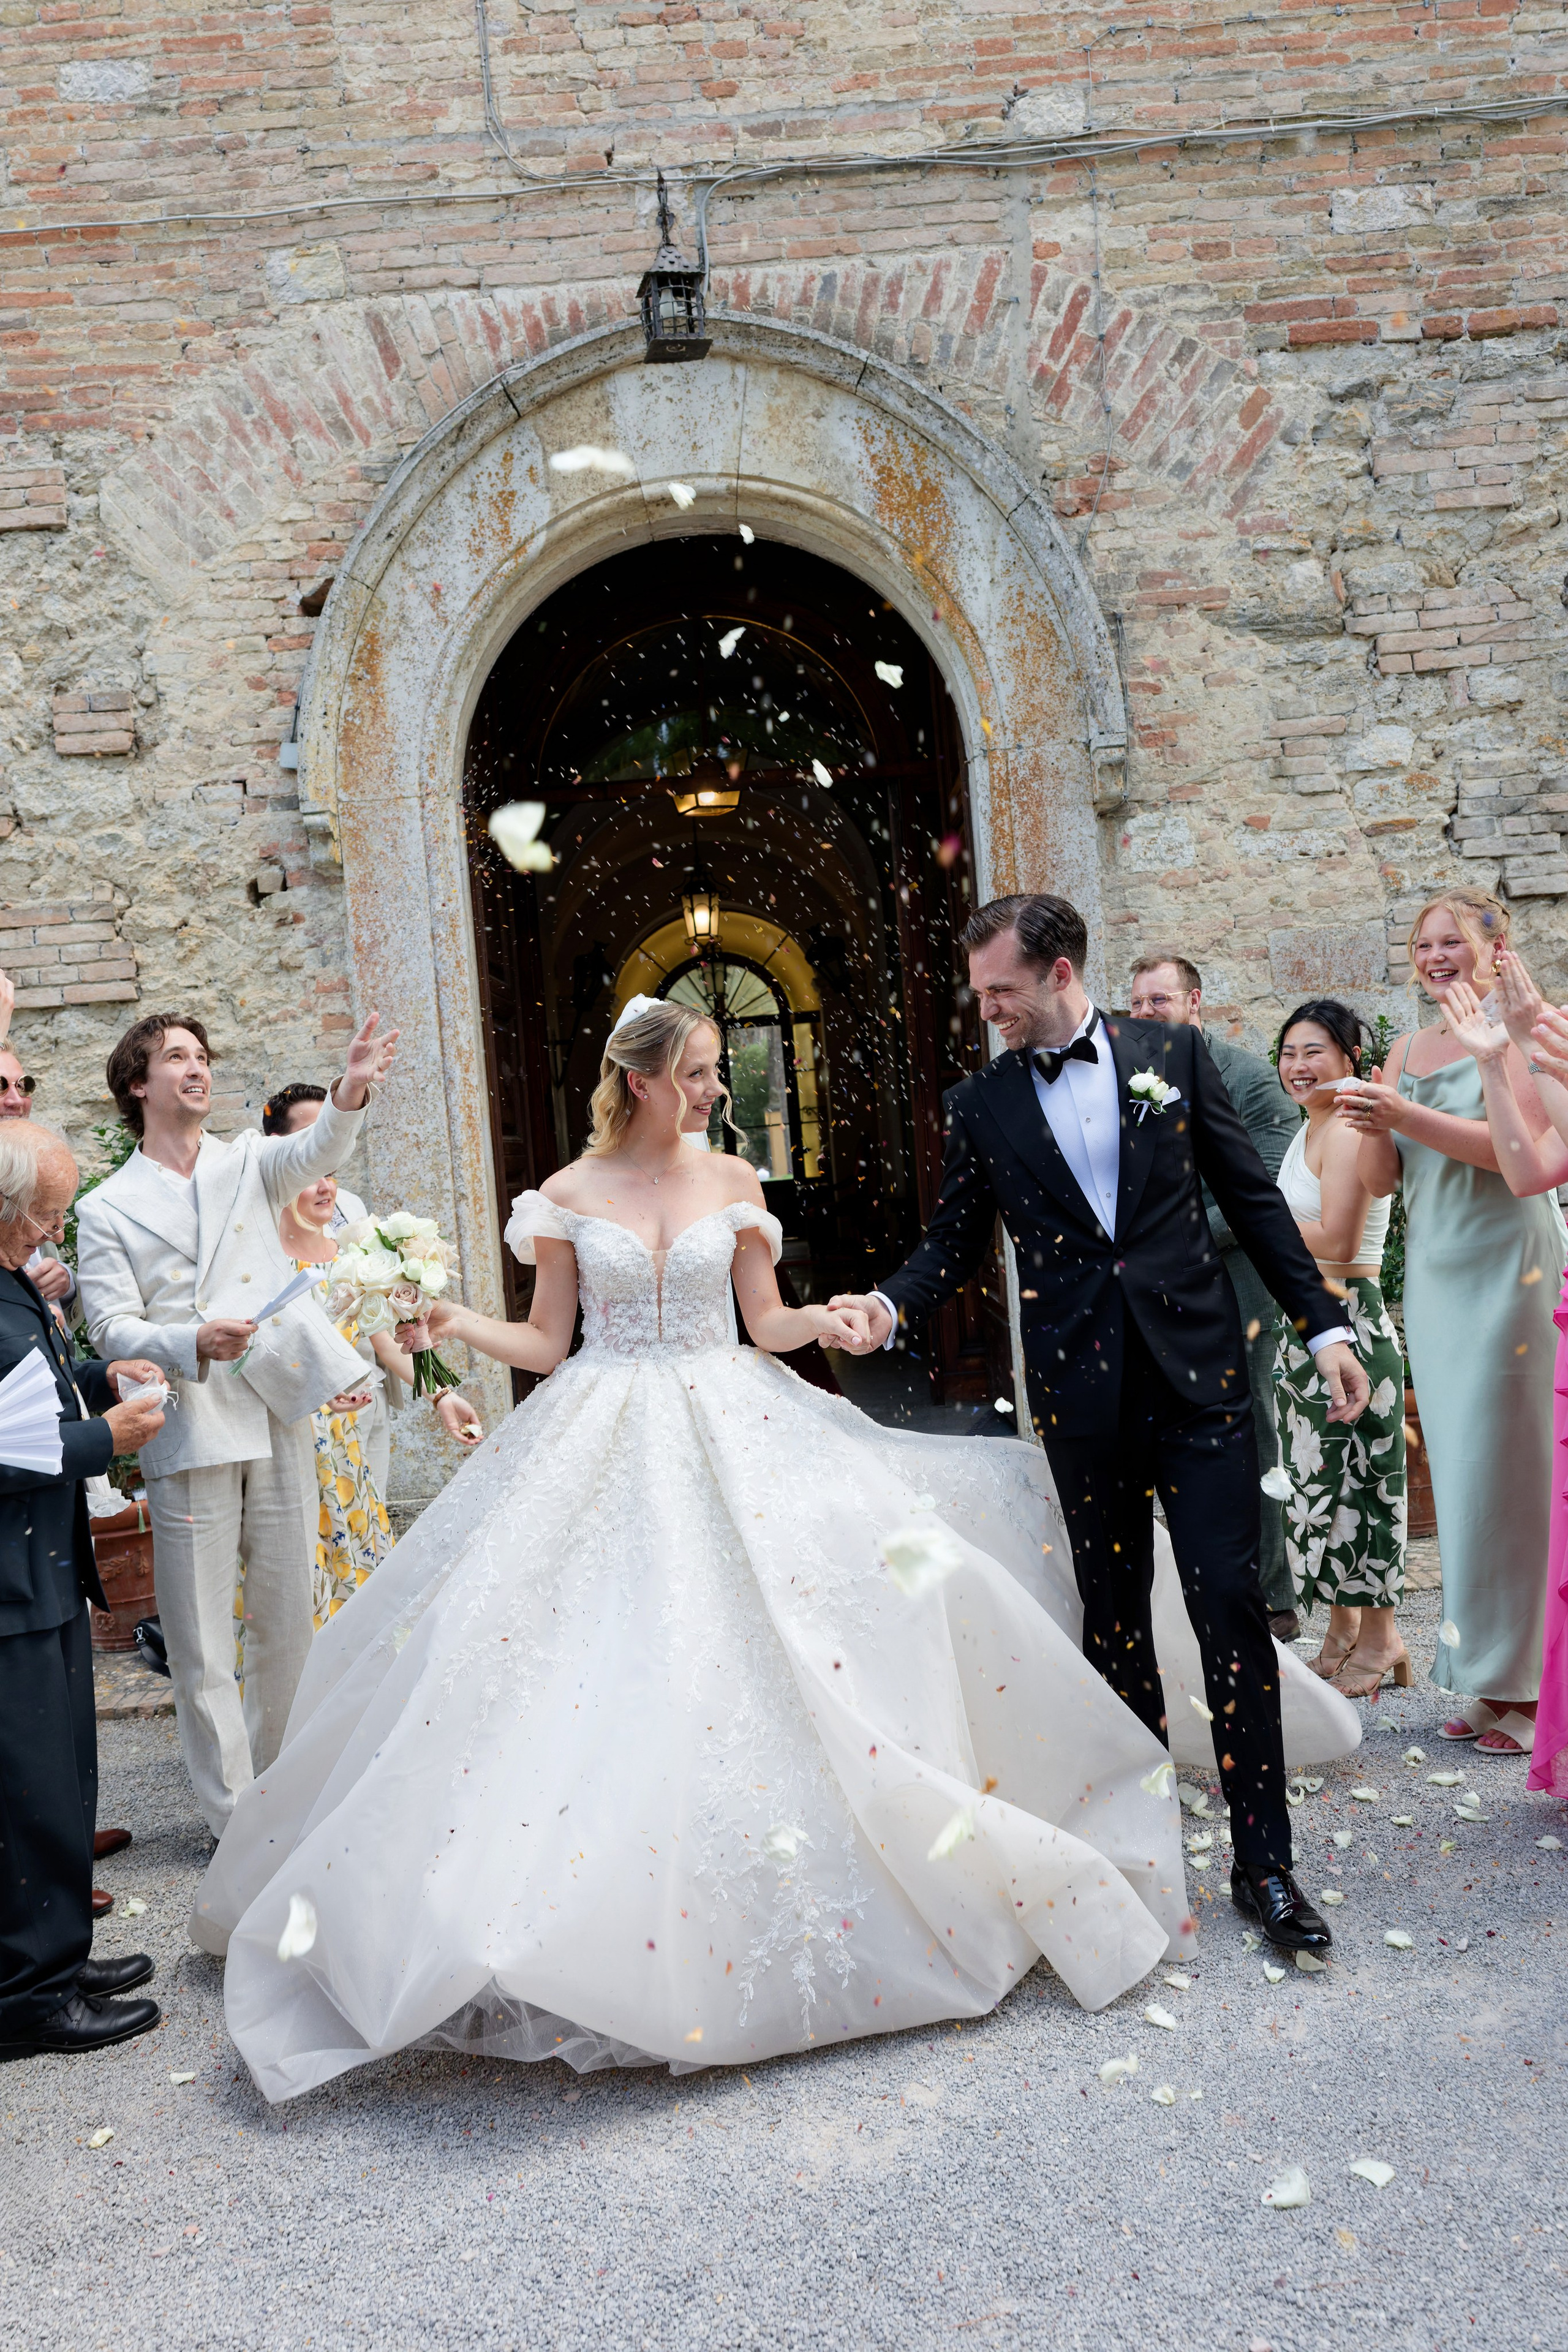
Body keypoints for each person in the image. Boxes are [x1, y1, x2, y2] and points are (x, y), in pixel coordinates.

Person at [191, 998, 1355, 2104]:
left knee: (791, 1644)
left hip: (733, 1417)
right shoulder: (564, 1191)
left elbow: (767, 1323)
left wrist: (841, 1316)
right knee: (592, 1661)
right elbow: (546, 1344)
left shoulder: (736, 1180)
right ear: (640, 1081)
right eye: (696, 1074)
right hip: (599, 1427)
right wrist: (450, 1326)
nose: (712, 1091)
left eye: (712, 1072)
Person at [833, 894, 1370, 1956]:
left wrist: (1324, 1328)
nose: (987, 1010)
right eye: (980, 991)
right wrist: (888, 1306)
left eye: (1004, 991)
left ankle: (1267, 1868)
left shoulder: (1174, 1051)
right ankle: (1136, 1851)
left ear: (1062, 972)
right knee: (1114, 1622)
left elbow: (1256, 1206)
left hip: (1201, 1384)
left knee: (1230, 1608)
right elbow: (951, 1245)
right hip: (1083, 1399)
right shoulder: (981, 1102)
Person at [75, 1011, 399, 1838]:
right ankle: (234, 1824)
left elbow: (317, 1150)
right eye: (175, 1057)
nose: (197, 1068)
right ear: (138, 1085)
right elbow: (110, 1326)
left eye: (203, 1056)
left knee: (289, 1623)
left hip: (279, 1401)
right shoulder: (107, 1208)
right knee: (202, 1643)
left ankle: (282, 1802)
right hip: (189, 1420)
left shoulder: (250, 1160)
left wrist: (351, 1085)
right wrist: (188, 1341)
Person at [1341, 890, 1566, 1755]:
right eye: (1422, 944)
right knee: (1468, 1479)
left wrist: (1408, 1114)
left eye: (1452, 942)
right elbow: (1387, 1179)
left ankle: (1532, 1686)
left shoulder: (1527, 1028)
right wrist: (1368, 1116)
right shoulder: (1405, 1047)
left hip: (1510, 1266)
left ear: (1493, 947)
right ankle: (1482, 1674)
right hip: (1436, 1274)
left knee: (1513, 1476)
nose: (1435, 957)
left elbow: (1521, 1155)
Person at [0, 1121, 169, 2058]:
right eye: (47, 1213)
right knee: (26, 1796)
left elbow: (43, 1387)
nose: (53, 1231)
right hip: (10, 1584)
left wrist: (105, 1377)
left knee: (64, 1778)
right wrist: (109, 1440)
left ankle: (57, 1957)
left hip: (46, 1571)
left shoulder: (17, 1280)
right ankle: (30, 1998)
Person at [1128, 951, 1302, 1640]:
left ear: (1194, 1004)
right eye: (1136, 1003)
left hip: (1237, 1281)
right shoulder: (1131, 1084)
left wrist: (1178, 1244)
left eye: (1159, 1001)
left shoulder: (1249, 1080)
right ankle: (1191, 1585)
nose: (1145, 1014)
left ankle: (1273, 1596)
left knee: (1249, 1425)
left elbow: (1268, 1192)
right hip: (1154, 1287)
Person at [276, 1161, 481, 1626]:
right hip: (296, 1434)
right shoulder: (264, 1260)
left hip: (351, 1437)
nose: (327, 1186)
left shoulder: (351, 1256)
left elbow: (387, 1343)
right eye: (311, 1172)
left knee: (362, 1553)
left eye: (330, 1171)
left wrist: (442, 1395)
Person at [1271, 1001, 1407, 1693]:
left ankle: (1383, 1641)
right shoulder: (1312, 1125)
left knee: (1363, 1485)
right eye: (1288, 1052)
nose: (1297, 1066)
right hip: (1308, 1322)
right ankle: (1342, 1630)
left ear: (1351, 1058)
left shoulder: (1350, 1127)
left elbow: (1340, 1243)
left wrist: (1260, 1221)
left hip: (1348, 1316)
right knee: (1324, 1489)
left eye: (1314, 1051)